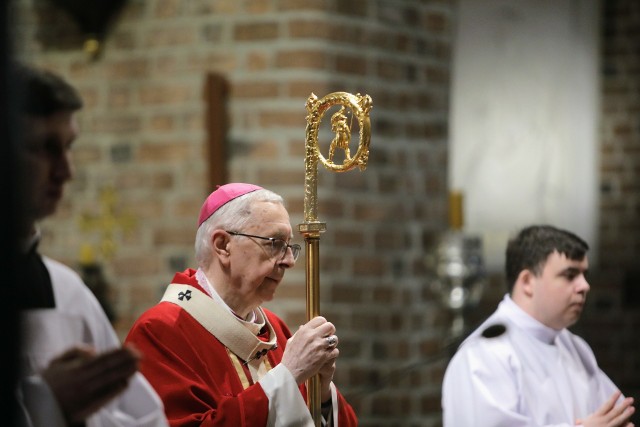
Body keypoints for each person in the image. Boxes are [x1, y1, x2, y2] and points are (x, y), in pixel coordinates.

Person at [125, 183, 358, 426]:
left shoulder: (274, 329)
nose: (288, 261)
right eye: (275, 243)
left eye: (290, 246)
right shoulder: (161, 331)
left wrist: (320, 395)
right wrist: (287, 375)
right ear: (223, 245)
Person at [15, 63, 169, 427]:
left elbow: (147, 419)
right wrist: (45, 402)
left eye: (68, 147)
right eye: (46, 147)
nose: (66, 171)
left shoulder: (66, 293)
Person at [442, 224, 636, 426]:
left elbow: (617, 417)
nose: (584, 286)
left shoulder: (575, 347)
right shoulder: (482, 356)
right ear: (527, 281)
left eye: (583, 274)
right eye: (570, 275)